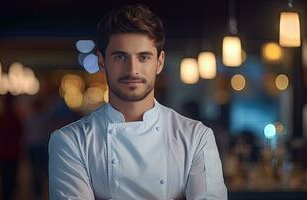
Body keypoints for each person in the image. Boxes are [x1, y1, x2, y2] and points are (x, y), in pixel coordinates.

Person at [48, 4, 227, 200]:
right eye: (120, 57)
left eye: (143, 57)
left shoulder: (196, 137)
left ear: (159, 62)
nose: (132, 69)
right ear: (101, 62)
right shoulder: (70, 141)